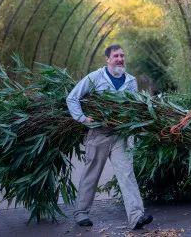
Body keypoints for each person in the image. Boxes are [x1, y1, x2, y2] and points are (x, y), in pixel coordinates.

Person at [66, 44, 153, 229]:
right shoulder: (94, 78)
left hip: (121, 134)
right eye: (116, 56)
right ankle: (81, 213)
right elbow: (72, 97)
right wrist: (82, 118)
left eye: (122, 55)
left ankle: (136, 216)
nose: (120, 59)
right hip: (99, 134)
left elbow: (133, 106)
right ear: (108, 59)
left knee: (127, 173)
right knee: (92, 173)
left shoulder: (130, 80)